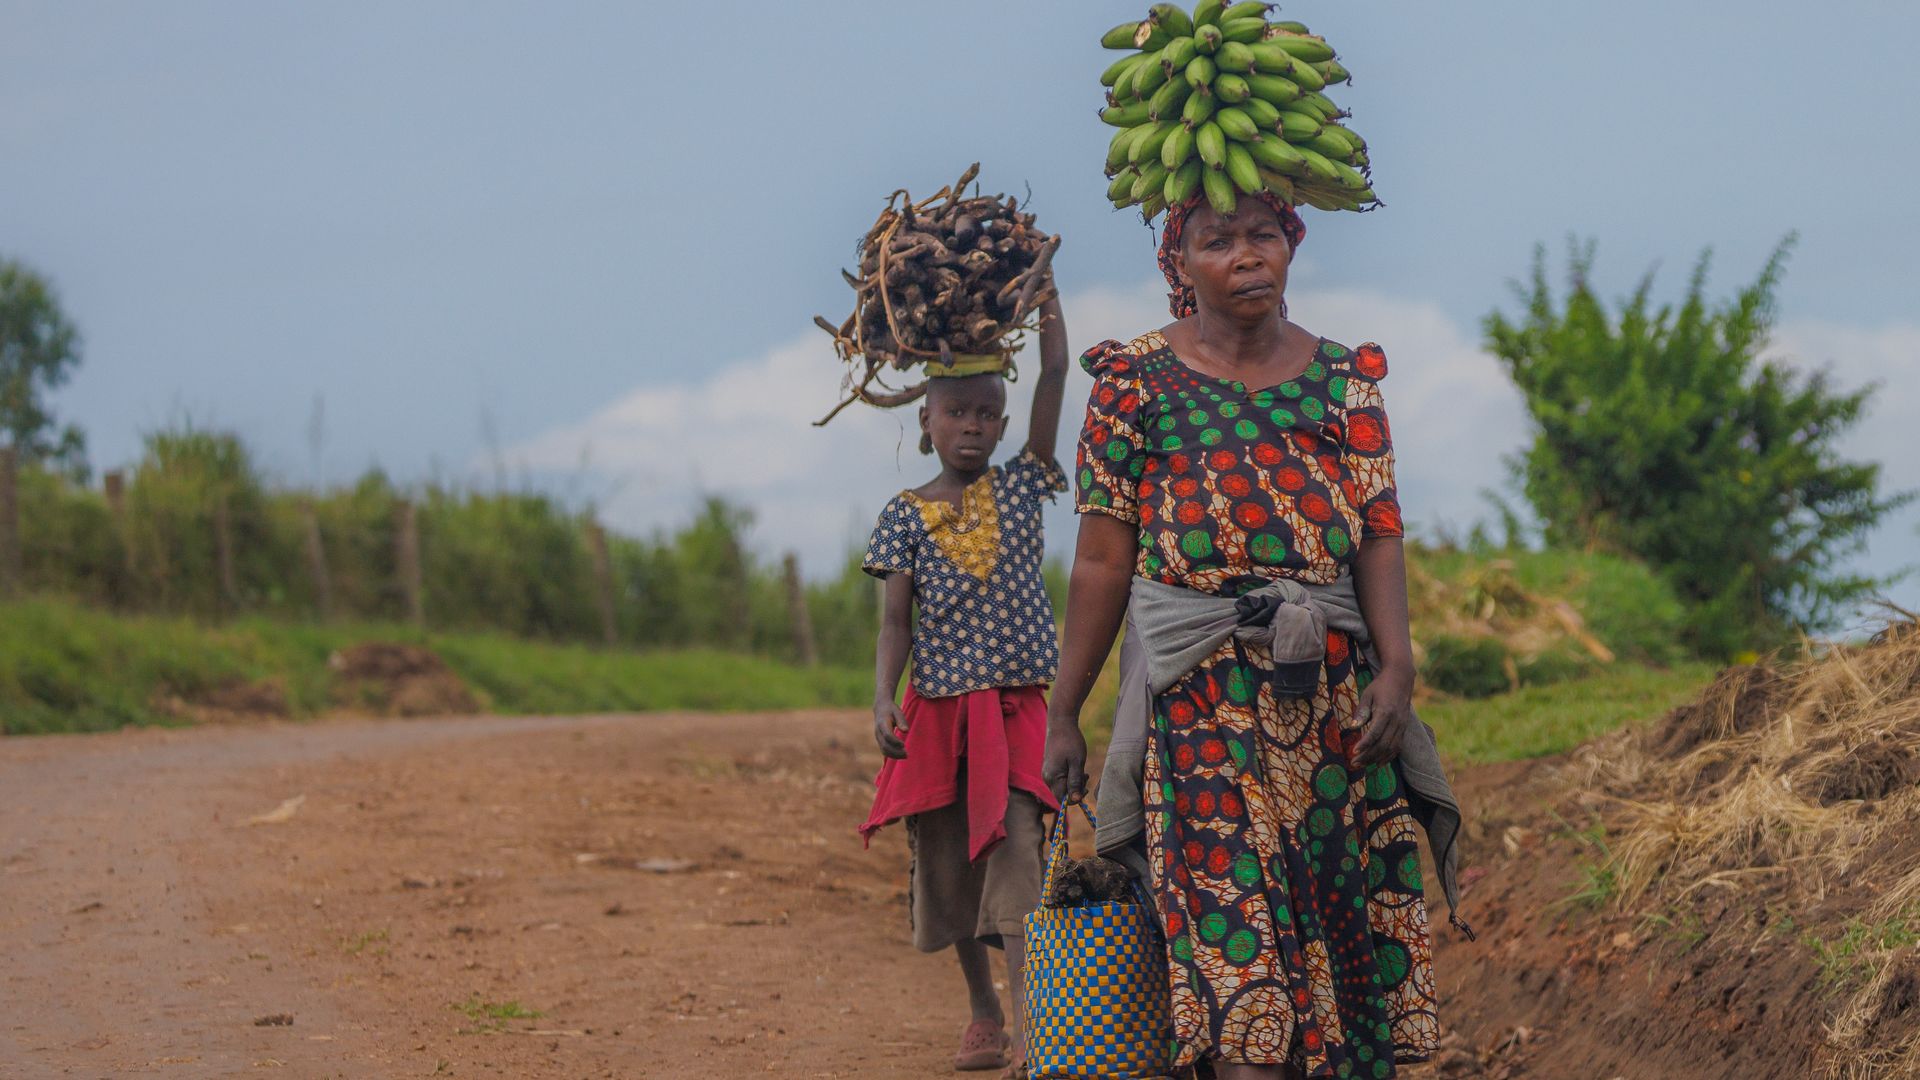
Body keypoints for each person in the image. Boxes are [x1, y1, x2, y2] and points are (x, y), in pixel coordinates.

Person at [1042, 193, 1446, 1079]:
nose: (1245, 256)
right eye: (1216, 241)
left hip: (1335, 712)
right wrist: (1064, 708)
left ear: (1293, 247)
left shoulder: (1348, 382)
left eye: (1264, 235)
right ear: (1179, 265)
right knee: (1239, 972)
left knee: (1340, 959)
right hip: (1199, 715)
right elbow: (1103, 564)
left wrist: (1400, 664)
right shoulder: (1131, 385)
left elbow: (1378, 532)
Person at [859, 287, 1070, 1077]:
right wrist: (883, 697)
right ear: (926, 421)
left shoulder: (1023, 487)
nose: (973, 426)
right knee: (946, 863)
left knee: (1017, 853)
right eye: (957, 413)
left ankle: (1037, 1028)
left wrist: (1046, 296)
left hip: (1015, 712)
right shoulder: (904, 514)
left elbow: (1054, 373)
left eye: (987, 413)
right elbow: (895, 625)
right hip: (938, 714)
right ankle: (983, 1009)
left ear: (1006, 425)